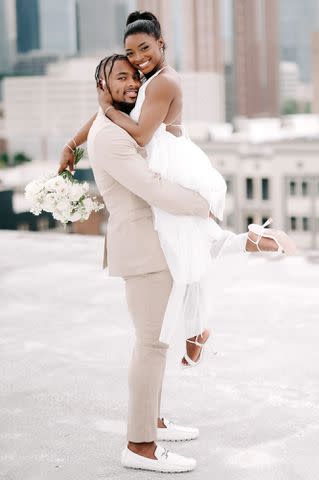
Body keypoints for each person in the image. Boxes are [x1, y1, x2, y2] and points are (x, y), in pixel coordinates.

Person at [60, 11, 296, 371]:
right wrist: (74, 142)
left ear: (161, 44)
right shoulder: (145, 77)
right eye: (131, 52)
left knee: (181, 247)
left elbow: (138, 133)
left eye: (144, 49)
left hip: (171, 162)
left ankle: (208, 309)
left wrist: (106, 107)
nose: (138, 59)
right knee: (184, 247)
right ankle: (202, 319)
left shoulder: (164, 82)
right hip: (160, 159)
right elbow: (115, 110)